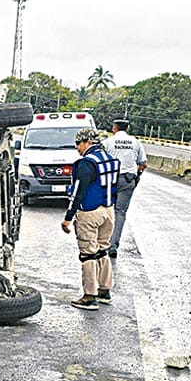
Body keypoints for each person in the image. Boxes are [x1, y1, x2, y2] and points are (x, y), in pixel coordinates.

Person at [60, 128, 120, 310]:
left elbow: (78, 192)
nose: (77, 147)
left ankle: (89, 296)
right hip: (108, 210)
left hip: (90, 212)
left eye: (78, 143)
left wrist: (68, 217)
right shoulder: (110, 159)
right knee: (102, 250)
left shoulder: (86, 163)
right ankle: (104, 291)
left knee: (87, 254)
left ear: (88, 142)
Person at [102, 118, 147, 258]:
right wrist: (136, 175)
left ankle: (102, 241)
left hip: (110, 180)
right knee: (120, 212)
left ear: (114, 128)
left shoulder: (107, 142)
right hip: (127, 179)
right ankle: (113, 245)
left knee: (106, 209)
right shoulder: (135, 142)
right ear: (127, 128)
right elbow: (143, 164)